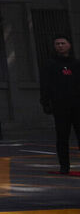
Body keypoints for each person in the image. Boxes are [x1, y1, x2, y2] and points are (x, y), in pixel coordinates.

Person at [40, 35, 80, 174]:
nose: (60, 46)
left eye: (63, 43)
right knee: (62, 137)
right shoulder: (50, 65)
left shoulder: (76, 64)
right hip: (60, 106)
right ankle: (64, 166)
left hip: (77, 106)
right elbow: (45, 85)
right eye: (57, 44)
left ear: (69, 45)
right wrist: (45, 102)